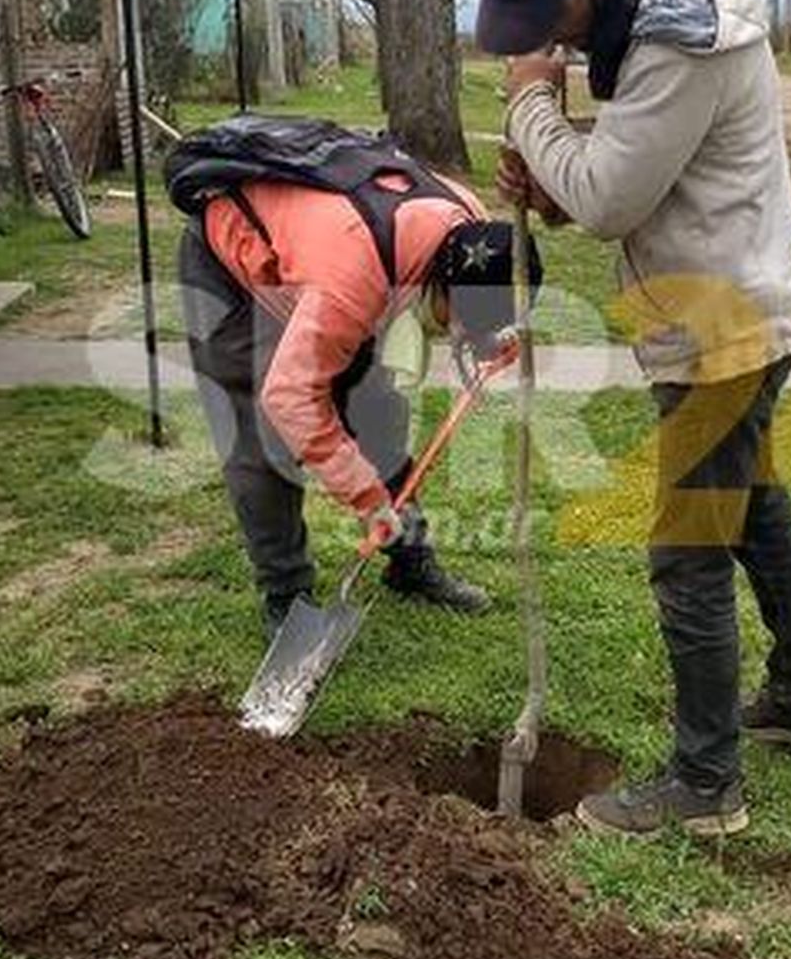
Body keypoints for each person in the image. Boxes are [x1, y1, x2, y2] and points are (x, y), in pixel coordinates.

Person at [478, 0, 791, 839]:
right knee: (755, 507)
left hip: (719, 331)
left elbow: (607, 197)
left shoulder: (683, 35)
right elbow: (631, 163)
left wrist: (531, 107)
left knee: (688, 556)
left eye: (547, 17)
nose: (542, 43)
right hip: (744, 305)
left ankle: (705, 780)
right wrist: (559, 162)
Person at [176, 120, 541, 639]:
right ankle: (287, 595)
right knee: (263, 437)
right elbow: (292, 399)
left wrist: (491, 339)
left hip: (326, 260)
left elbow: (472, 301)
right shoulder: (352, 278)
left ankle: (409, 561)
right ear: (444, 283)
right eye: (456, 321)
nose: (454, 334)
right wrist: (368, 500)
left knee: (378, 414)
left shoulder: (470, 224)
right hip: (233, 268)